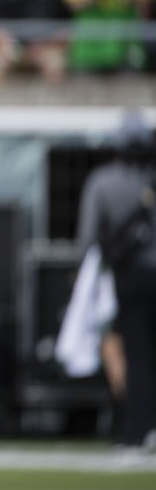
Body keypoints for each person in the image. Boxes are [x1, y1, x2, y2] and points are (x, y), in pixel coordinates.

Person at [77, 112, 156, 454]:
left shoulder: (104, 181)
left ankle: (137, 428)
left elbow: (88, 237)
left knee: (136, 354)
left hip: (130, 276)